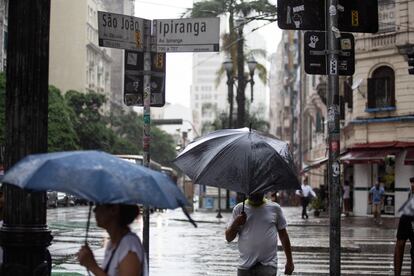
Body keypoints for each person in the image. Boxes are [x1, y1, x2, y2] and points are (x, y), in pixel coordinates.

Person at [225, 193, 294, 276]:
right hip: (245, 267)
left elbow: (283, 235)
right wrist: (236, 223)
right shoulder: (239, 209)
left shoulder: (275, 208)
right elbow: (228, 238)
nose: (255, 193)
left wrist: (289, 261)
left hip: (268, 265)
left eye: (259, 191)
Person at [77, 204, 148, 276]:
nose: (94, 210)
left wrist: (93, 266)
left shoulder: (129, 245)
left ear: (114, 210)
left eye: (99, 205)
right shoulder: (112, 244)